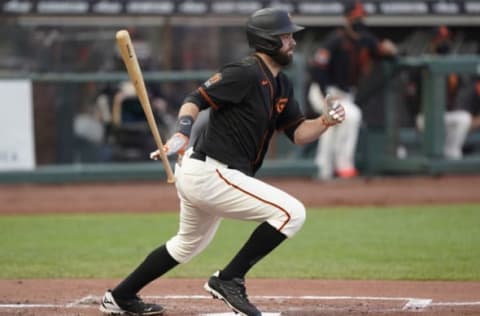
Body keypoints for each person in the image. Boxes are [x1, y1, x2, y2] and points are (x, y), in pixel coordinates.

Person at [99, 8, 345, 316]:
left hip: (208, 173)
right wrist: (182, 133)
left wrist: (325, 121)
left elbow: (297, 133)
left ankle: (120, 297)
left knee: (185, 245)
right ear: (267, 41)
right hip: (211, 171)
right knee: (291, 213)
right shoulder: (245, 72)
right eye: (286, 36)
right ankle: (228, 279)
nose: (293, 42)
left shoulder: (282, 84)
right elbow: (195, 98)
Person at [308, 0, 397, 180]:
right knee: (351, 116)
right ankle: (343, 166)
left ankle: (323, 169)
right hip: (323, 91)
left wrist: (391, 51)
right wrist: (327, 97)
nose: (359, 20)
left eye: (361, 17)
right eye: (355, 17)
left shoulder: (366, 39)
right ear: (347, 19)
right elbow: (318, 67)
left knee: (332, 125)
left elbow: (383, 51)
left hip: (345, 94)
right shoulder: (335, 40)